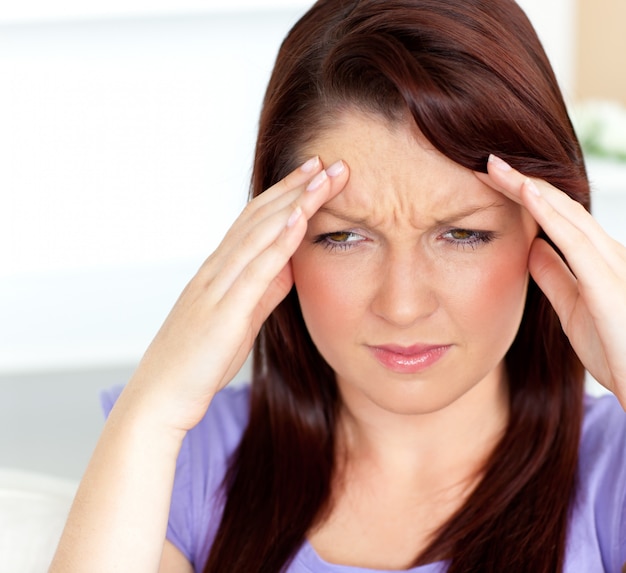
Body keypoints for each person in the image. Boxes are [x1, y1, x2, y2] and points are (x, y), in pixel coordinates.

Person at [50, 1, 626, 572]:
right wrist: (154, 408)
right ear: (277, 237)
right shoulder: (182, 459)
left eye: (462, 234)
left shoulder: (612, 474)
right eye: (345, 237)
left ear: (549, 230)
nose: (402, 306)